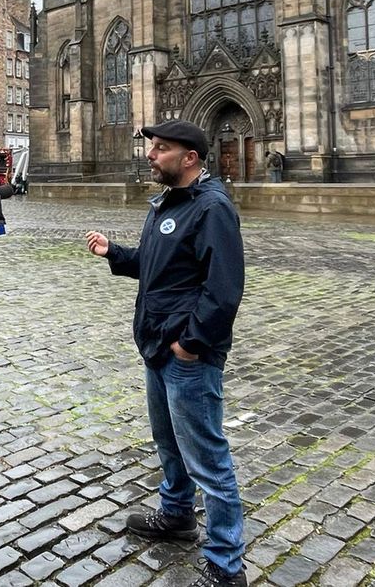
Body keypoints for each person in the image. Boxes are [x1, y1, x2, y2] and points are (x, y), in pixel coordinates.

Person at [84, 119, 248, 587]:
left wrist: (191, 345)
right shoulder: (168, 203)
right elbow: (157, 268)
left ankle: (225, 564)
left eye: (160, 149)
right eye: (151, 148)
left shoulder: (212, 207)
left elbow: (224, 289)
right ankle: (177, 514)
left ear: (190, 157)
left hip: (186, 355)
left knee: (209, 460)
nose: (151, 156)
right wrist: (113, 252)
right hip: (158, 345)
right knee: (169, 443)